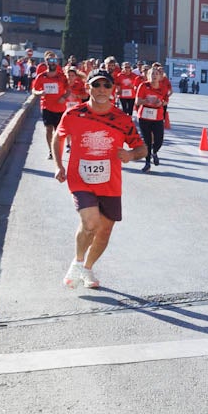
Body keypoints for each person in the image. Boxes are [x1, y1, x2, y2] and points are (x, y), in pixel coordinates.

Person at [53, 71, 147, 289]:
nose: (101, 89)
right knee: (90, 223)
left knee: (104, 231)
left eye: (106, 85)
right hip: (80, 179)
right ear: (88, 88)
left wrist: (131, 155)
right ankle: (76, 264)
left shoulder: (122, 120)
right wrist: (59, 165)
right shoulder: (74, 113)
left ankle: (87, 269)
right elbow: (59, 136)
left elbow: (142, 148)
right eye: (96, 85)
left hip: (110, 183)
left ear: (112, 89)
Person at [135, 66, 172, 171]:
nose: (154, 76)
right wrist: (146, 101)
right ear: (148, 76)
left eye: (156, 74)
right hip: (144, 116)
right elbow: (137, 101)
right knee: (147, 141)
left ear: (160, 76)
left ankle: (154, 152)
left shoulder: (163, 87)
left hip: (157, 117)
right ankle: (147, 163)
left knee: (159, 140)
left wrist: (161, 103)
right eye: (152, 74)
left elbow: (166, 101)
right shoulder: (143, 86)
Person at [30, 57, 69, 158]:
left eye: (54, 61)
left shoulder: (62, 76)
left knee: (58, 131)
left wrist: (64, 97)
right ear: (46, 63)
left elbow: (68, 90)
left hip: (60, 107)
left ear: (57, 63)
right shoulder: (41, 76)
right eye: (50, 61)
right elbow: (34, 90)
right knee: (48, 129)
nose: (52, 63)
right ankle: (51, 150)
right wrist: (40, 93)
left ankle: (57, 149)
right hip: (46, 106)